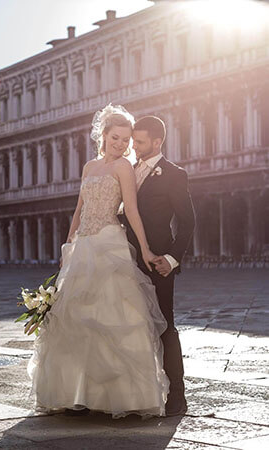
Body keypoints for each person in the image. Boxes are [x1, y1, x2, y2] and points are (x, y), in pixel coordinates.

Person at [27, 104, 170, 418]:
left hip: (108, 243)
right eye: (115, 138)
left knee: (112, 319)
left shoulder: (124, 168)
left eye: (125, 141)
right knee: (76, 322)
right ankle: (78, 396)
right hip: (83, 247)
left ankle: (122, 398)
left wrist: (144, 249)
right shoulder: (89, 167)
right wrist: (69, 242)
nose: (120, 145)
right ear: (103, 135)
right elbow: (79, 208)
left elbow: (131, 211)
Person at [123, 116, 195, 416]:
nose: (133, 146)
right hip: (124, 260)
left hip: (158, 263)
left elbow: (188, 220)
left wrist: (172, 258)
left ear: (157, 142)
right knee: (126, 326)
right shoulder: (127, 169)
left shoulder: (174, 174)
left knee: (165, 325)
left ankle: (177, 395)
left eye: (139, 142)